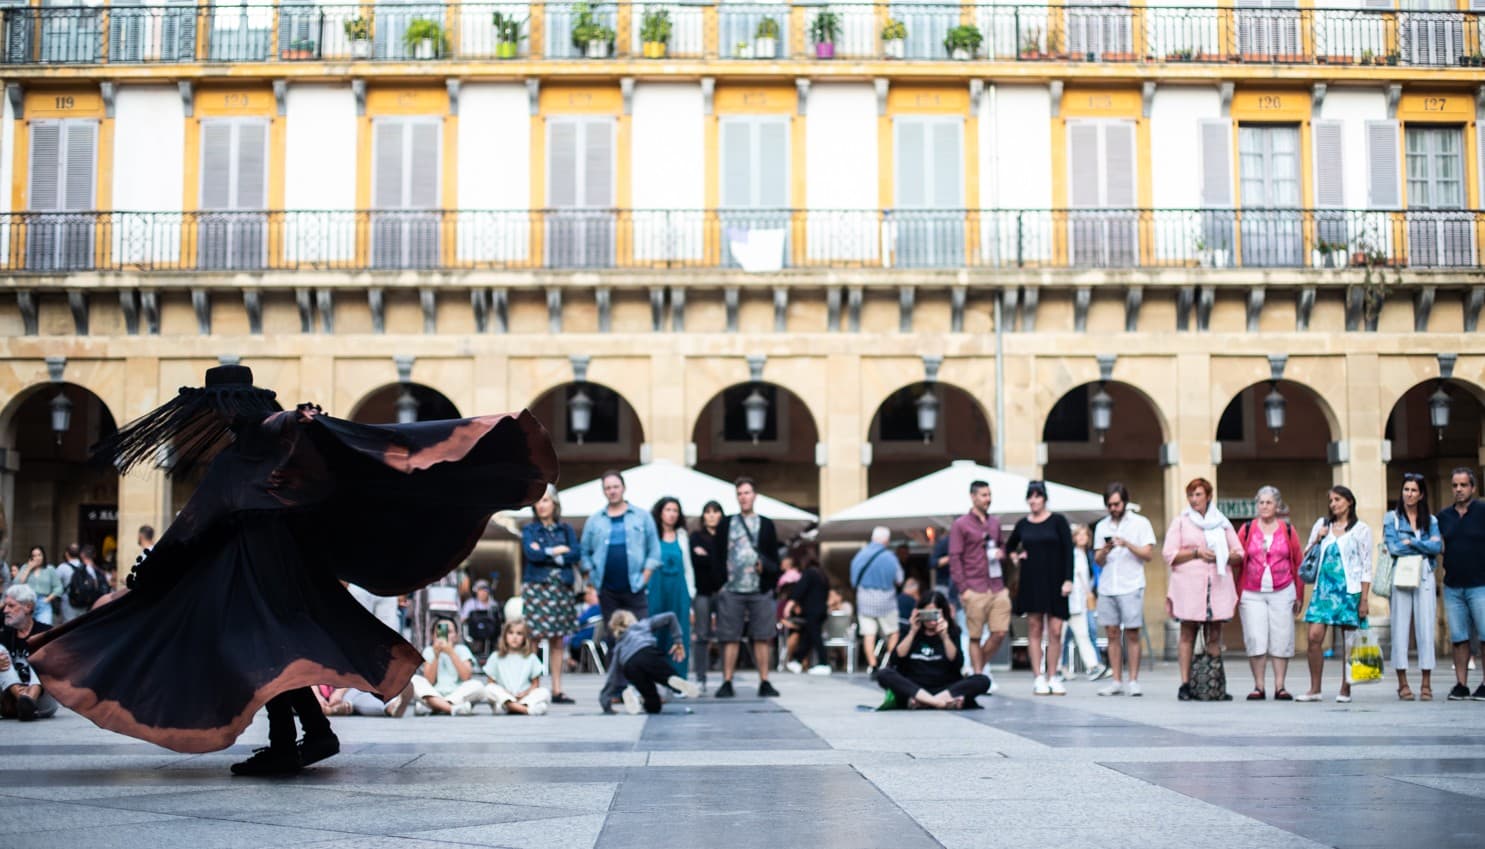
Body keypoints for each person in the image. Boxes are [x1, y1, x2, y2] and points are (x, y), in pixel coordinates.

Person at [29, 364, 556, 775]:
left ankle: (293, 741)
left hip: (252, 576)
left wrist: (153, 570)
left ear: (227, 408)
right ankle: (299, 738)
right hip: (281, 570)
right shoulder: (281, 447)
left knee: (264, 656)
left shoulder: (244, 458)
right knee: (276, 657)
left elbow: (195, 523)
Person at [1163, 478, 1242, 701]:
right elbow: (1169, 554)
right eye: (1191, 495)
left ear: (1208, 496)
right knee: (1188, 632)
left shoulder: (1221, 522)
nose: (1194, 499)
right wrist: (1196, 553)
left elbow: (1239, 552)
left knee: (1214, 634)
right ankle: (1186, 684)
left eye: (1198, 494)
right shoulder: (1181, 521)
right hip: (1189, 586)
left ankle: (1214, 683)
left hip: (1216, 584)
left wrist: (1221, 555)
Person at [1298, 486, 1373, 703]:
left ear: (1349, 501)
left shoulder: (1361, 529)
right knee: (1314, 637)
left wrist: (1364, 599)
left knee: (1349, 641)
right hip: (1323, 590)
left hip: (1349, 591)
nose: (1333, 504)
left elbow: (1366, 566)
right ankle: (1315, 689)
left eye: (1337, 499)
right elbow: (1307, 555)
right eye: (1331, 500)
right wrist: (1317, 539)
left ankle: (1346, 688)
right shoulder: (1322, 526)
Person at [715, 477, 782, 699]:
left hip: (759, 589)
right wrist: (721, 584)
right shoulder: (726, 523)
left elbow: (775, 558)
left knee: (762, 635)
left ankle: (765, 680)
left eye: (747, 493)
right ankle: (727, 681)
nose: (743, 497)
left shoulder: (766, 524)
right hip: (732, 588)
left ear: (755, 496)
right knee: (729, 637)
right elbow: (718, 554)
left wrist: (767, 569)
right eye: (740, 493)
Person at [1235, 486, 1304, 701]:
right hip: (1251, 590)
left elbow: (1298, 562)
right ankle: (1259, 686)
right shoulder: (1246, 529)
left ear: (1277, 505)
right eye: (1261, 502)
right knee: (1255, 637)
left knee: (1282, 637)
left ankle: (1280, 686)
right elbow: (1237, 558)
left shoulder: (1288, 530)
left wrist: (1299, 594)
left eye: (1269, 502)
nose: (1264, 506)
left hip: (1283, 589)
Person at [1006, 481, 1074, 695]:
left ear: (1044, 498)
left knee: (1055, 630)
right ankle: (1038, 677)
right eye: (1031, 497)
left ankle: (1053, 675)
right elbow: (1009, 547)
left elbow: (1068, 552)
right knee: (1034, 629)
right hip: (1032, 581)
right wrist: (1016, 557)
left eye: (1038, 496)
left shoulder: (1058, 521)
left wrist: (1068, 579)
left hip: (1056, 581)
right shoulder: (1022, 525)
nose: (1034, 500)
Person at [581, 470, 661, 646]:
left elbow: (654, 550)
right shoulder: (594, 520)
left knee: (641, 633)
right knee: (613, 637)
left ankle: (638, 673)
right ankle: (616, 674)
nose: (612, 491)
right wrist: (593, 579)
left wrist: (645, 575)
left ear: (623, 488)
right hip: (607, 590)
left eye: (615, 486)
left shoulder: (642, 516)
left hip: (635, 587)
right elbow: (584, 552)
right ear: (603, 491)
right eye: (608, 488)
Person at [1094, 482, 1157, 697]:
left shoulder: (1140, 523)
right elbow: (1098, 560)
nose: (1113, 508)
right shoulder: (1102, 526)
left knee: (1132, 632)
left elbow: (1148, 554)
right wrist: (1105, 549)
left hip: (1131, 584)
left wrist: (1127, 544)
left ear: (1125, 502)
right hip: (1107, 585)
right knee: (1112, 633)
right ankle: (1116, 681)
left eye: (1116, 504)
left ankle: (1133, 680)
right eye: (1109, 505)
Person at [876, 591, 990, 710]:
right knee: (884, 673)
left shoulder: (952, 631)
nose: (930, 619)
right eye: (926, 614)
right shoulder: (910, 631)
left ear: (943, 613)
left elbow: (957, 662)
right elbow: (896, 659)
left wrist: (944, 636)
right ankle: (937, 702)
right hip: (915, 687)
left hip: (945, 687)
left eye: (935, 614)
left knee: (982, 680)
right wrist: (912, 631)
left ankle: (925, 702)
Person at [1383, 473, 1442, 701]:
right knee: (1400, 627)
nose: (1409, 494)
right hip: (1401, 573)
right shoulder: (1392, 518)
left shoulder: (1432, 520)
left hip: (1425, 573)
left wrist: (1413, 542)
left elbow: (1436, 547)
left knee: (1426, 627)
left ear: (1421, 494)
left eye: (1414, 490)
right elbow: (1394, 548)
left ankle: (1426, 683)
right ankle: (1402, 683)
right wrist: (1423, 546)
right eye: (1406, 489)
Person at [521, 484, 581, 704]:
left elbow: (576, 553)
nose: (541, 505)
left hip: (561, 589)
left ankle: (557, 689)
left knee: (558, 640)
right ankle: (533, 686)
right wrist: (557, 551)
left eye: (545, 500)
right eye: (538, 501)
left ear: (554, 503)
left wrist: (545, 552)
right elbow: (531, 554)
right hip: (537, 588)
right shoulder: (529, 530)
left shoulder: (565, 529)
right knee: (534, 638)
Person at [949, 480, 1010, 681]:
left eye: (989, 495)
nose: (988, 499)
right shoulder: (961, 524)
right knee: (974, 635)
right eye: (984, 495)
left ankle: (977, 670)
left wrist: (1001, 553)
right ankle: (978, 676)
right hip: (974, 586)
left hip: (997, 585)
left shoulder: (994, 523)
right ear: (973, 497)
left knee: (999, 632)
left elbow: (1002, 546)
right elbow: (955, 557)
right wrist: (963, 589)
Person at [1437, 468, 1485, 701]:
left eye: (1463, 485)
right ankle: (1461, 684)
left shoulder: (1483, 511)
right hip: (1453, 586)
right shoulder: (1443, 517)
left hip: (1481, 585)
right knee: (1458, 638)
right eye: (1455, 485)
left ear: (1472, 488)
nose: (1458, 489)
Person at [600, 609, 699, 714]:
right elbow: (670, 616)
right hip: (646, 652)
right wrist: (677, 640)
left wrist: (605, 701)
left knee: (653, 703)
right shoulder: (643, 624)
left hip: (629, 666)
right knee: (667, 675)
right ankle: (671, 679)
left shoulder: (619, 646)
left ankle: (636, 695)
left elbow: (613, 675)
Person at [649, 496, 696, 680]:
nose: (671, 514)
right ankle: (656, 676)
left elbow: (688, 567)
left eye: (675, 510)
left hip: (679, 590)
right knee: (655, 631)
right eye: (668, 510)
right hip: (656, 589)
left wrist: (691, 592)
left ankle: (678, 678)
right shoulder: (652, 535)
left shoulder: (683, 536)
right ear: (660, 512)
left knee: (679, 633)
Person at [850, 526, 905, 679]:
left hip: (864, 600)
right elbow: (899, 579)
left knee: (869, 634)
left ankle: (873, 665)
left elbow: (853, 580)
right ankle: (889, 663)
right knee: (893, 632)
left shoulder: (860, 555)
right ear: (886, 540)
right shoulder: (890, 557)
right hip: (886, 600)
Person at [1, 585, 58, 721]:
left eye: (11, 606)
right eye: (5, 606)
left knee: (44, 652)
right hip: (9, 700)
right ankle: (23, 701)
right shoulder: (3, 635)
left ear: (28, 607)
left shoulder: (46, 632)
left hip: (42, 702)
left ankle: (28, 700)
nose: (5, 610)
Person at [412, 617, 490, 715]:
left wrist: (451, 653)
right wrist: (436, 655)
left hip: (457, 693)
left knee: (478, 685)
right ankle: (452, 709)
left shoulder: (462, 649)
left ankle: (437, 706)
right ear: (433, 636)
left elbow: (466, 677)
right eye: (440, 632)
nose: (445, 635)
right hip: (435, 693)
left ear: (456, 636)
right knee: (414, 680)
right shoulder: (429, 651)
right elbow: (429, 681)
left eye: (449, 632)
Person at [689, 500, 726, 692]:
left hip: (723, 592)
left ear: (721, 514)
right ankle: (701, 678)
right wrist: (715, 559)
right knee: (702, 636)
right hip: (702, 592)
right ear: (703, 516)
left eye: (715, 511)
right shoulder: (696, 536)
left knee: (726, 635)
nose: (711, 515)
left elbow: (725, 563)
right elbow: (696, 562)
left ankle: (726, 677)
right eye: (708, 512)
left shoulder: (726, 536)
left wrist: (708, 556)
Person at [481, 619, 551, 715]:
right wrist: (506, 693)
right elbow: (491, 683)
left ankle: (515, 707)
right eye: (511, 633)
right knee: (488, 689)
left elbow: (535, 684)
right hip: (504, 698)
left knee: (544, 692)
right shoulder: (496, 657)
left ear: (525, 638)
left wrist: (524, 694)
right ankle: (523, 709)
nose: (514, 637)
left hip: (524, 697)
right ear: (505, 636)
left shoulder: (531, 658)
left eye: (519, 634)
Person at [1064, 524, 1105, 680]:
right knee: (1064, 637)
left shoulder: (1087, 555)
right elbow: (1078, 576)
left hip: (1080, 601)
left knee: (1082, 634)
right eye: (1078, 535)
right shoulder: (1074, 554)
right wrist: (1087, 592)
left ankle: (1093, 666)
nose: (1081, 538)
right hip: (1073, 600)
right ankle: (1061, 668)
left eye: (1084, 535)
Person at [785, 558, 831, 675]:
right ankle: (797, 661)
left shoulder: (809, 573)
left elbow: (799, 589)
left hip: (812, 610)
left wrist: (790, 604)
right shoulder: (822, 576)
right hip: (821, 610)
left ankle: (823, 663)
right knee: (809, 636)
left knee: (815, 636)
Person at [16, 546, 61, 626]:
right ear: (31, 558)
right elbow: (17, 584)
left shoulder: (49, 569)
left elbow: (58, 587)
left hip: (43, 603)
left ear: (43, 556)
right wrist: (29, 568)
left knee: (44, 629)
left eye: (39, 555)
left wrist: (48, 599)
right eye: (34, 555)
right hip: (27, 603)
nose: (37, 558)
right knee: (27, 630)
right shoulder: (25, 567)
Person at [67, 545, 111, 617]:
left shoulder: (79, 571)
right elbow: (105, 589)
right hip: (97, 605)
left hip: (81, 606)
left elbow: (74, 588)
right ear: (94, 555)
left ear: (82, 555)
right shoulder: (100, 572)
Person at [566, 586, 603, 668]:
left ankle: (574, 661)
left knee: (572, 638)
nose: (586, 597)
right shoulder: (602, 608)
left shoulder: (595, 607)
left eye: (588, 594)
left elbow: (580, 621)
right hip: (600, 637)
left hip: (590, 635)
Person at [54, 543, 82, 623]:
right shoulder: (86, 567)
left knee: (69, 626)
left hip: (68, 602)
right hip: (83, 602)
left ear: (67, 553)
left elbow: (54, 583)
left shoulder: (62, 567)